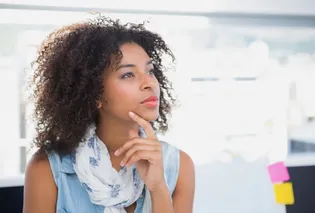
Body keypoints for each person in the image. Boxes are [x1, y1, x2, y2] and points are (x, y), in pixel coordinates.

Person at [23, 15, 195, 213]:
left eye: (150, 70)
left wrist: (158, 189)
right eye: (128, 75)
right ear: (94, 93)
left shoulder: (179, 166)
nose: (150, 83)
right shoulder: (47, 168)